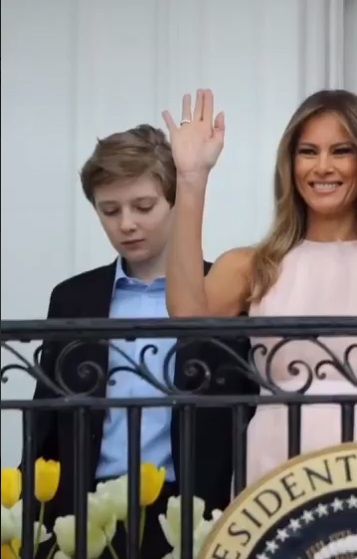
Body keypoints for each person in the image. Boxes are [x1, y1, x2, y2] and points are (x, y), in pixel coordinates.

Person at [31, 124, 258, 559]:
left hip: (191, 510)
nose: (127, 224)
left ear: (175, 202)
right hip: (88, 508)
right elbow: (46, 423)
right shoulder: (72, 297)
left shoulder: (222, 291)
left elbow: (248, 408)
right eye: (110, 210)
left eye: (143, 206)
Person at [162, 88, 357, 485]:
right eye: (307, 152)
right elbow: (186, 314)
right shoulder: (254, 266)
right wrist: (191, 178)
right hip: (276, 471)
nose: (322, 167)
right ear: (289, 163)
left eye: (341, 151)